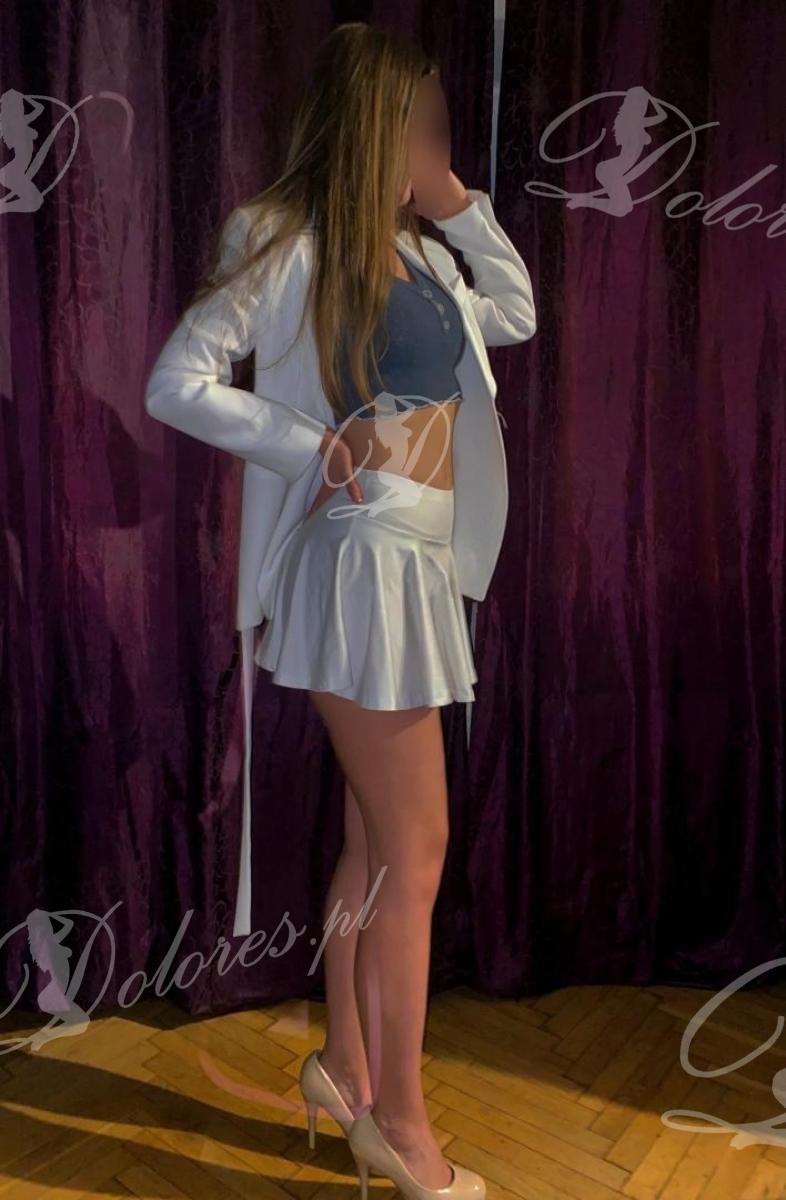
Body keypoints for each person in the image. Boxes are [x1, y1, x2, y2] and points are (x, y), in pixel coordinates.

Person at [144, 21, 536, 1200]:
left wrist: (460, 205)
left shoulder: (422, 254)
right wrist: (309, 444)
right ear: (377, 127)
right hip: (363, 558)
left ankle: (347, 1069)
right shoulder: (287, 240)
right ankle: (402, 1131)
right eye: (423, 125)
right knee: (415, 851)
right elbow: (177, 382)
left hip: (418, 561)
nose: (438, 143)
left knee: (376, 843)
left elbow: (516, 312)